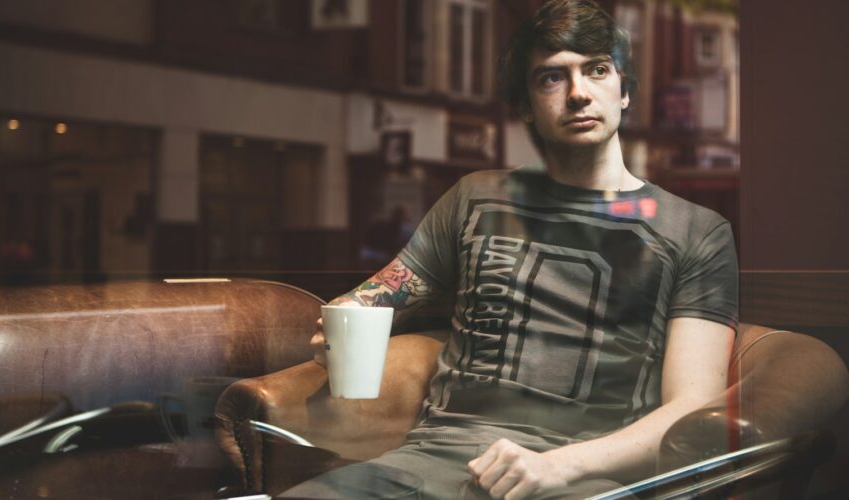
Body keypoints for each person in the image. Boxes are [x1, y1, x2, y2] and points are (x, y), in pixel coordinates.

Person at [286, 0, 738, 498]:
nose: (578, 94)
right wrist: (344, 318)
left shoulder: (697, 231)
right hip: (426, 462)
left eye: (597, 70)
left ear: (624, 90)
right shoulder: (474, 196)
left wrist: (560, 467)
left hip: (580, 479)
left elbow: (695, 405)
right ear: (525, 105)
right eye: (551, 78)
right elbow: (379, 296)